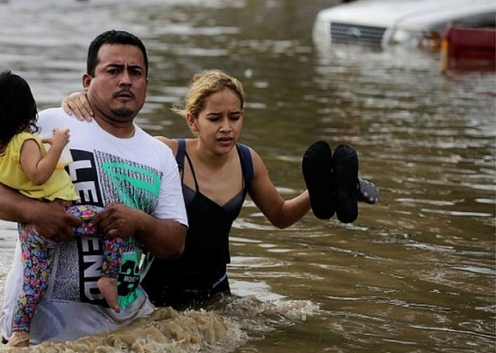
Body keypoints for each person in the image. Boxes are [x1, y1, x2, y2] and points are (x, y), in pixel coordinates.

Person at [62, 69, 378, 309]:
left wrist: (318, 189)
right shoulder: (166, 152)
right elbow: (111, 145)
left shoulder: (247, 160)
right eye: (215, 118)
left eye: (234, 117)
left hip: (215, 293)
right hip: (155, 293)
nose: (226, 127)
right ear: (193, 121)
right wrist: (82, 102)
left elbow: (280, 216)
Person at [0, 30, 188, 344]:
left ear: (146, 85)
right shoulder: (49, 124)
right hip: (40, 333)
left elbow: (175, 244)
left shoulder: (159, 155)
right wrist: (36, 212)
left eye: (135, 72)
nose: (125, 80)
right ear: (87, 82)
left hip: (123, 333)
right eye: (113, 70)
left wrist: (139, 221)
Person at [0, 70, 133, 346]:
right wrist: (57, 145)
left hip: (30, 229)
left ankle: (20, 333)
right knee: (114, 222)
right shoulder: (27, 142)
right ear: (26, 109)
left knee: (33, 283)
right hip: (62, 214)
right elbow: (38, 174)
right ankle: (108, 279)